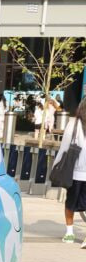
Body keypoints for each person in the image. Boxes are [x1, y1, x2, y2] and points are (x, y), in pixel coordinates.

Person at [53, 98, 86, 245]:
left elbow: (65, 148)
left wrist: (57, 165)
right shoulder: (74, 123)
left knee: (70, 203)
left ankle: (70, 233)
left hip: (74, 172)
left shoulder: (73, 124)